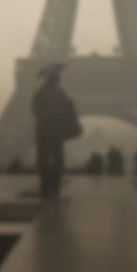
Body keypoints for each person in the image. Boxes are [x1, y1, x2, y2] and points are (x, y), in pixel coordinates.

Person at [32, 63, 81, 199]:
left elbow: (36, 110)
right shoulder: (61, 95)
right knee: (57, 157)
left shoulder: (40, 93)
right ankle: (53, 184)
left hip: (44, 129)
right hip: (54, 130)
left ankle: (46, 184)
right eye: (57, 78)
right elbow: (67, 110)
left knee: (44, 158)